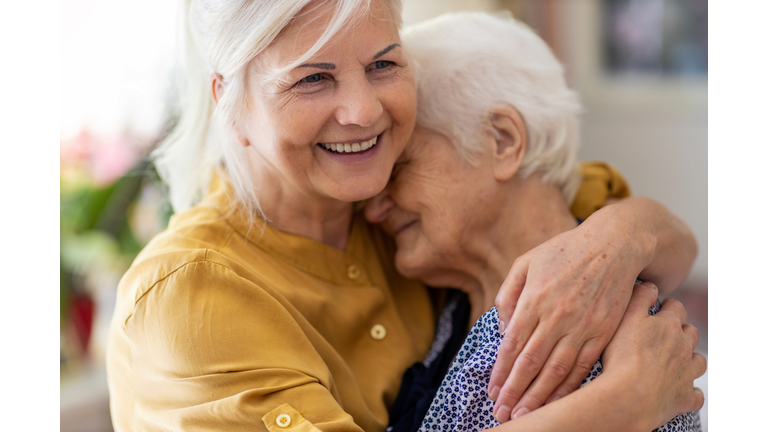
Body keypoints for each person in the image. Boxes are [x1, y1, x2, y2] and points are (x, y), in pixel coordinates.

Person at [106, 1, 700, 431]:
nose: (363, 112)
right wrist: (622, 405)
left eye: (384, 64)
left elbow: (617, 223)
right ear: (228, 102)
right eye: (313, 78)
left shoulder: (385, 211)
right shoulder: (189, 296)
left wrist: (623, 236)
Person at [365, 12, 705, 432]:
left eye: (399, 167)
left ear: (503, 141)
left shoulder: (607, 332)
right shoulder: (451, 308)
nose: (372, 207)